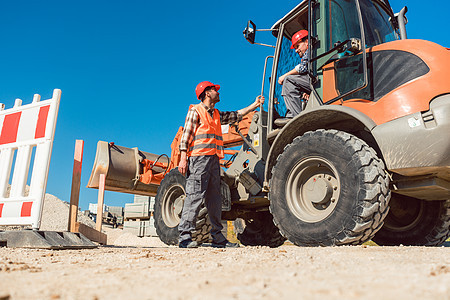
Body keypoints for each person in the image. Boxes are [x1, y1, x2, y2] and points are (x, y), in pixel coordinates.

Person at [178, 81, 264, 248]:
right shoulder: (195, 111)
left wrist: (254, 104)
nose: (218, 92)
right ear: (207, 93)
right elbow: (186, 136)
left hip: (213, 161)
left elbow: (237, 115)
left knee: (215, 200)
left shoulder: (216, 114)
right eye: (214, 90)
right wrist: (183, 158)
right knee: (195, 197)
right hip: (198, 160)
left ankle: (218, 238)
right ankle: (184, 237)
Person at [278, 29, 311, 119]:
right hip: (315, 80)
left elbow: (303, 67)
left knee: (289, 80)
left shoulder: (311, 51)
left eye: (297, 46)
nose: (296, 50)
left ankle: (296, 117)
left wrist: (284, 76)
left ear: (307, 42)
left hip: (317, 79)